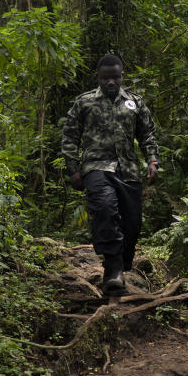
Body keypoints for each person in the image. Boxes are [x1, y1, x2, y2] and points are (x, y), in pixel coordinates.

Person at [61, 54, 159, 295]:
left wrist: (152, 160)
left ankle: (123, 265)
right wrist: (73, 170)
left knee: (132, 222)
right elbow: (70, 136)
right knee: (104, 209)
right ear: (98, 77)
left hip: (128, 169)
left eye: (115, 77)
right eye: (106, 78)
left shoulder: (134, 102)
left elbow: (147, 134)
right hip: (96, 167)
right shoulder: (84, 102)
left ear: (121, 76)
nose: (111, 82)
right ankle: (112, 270)